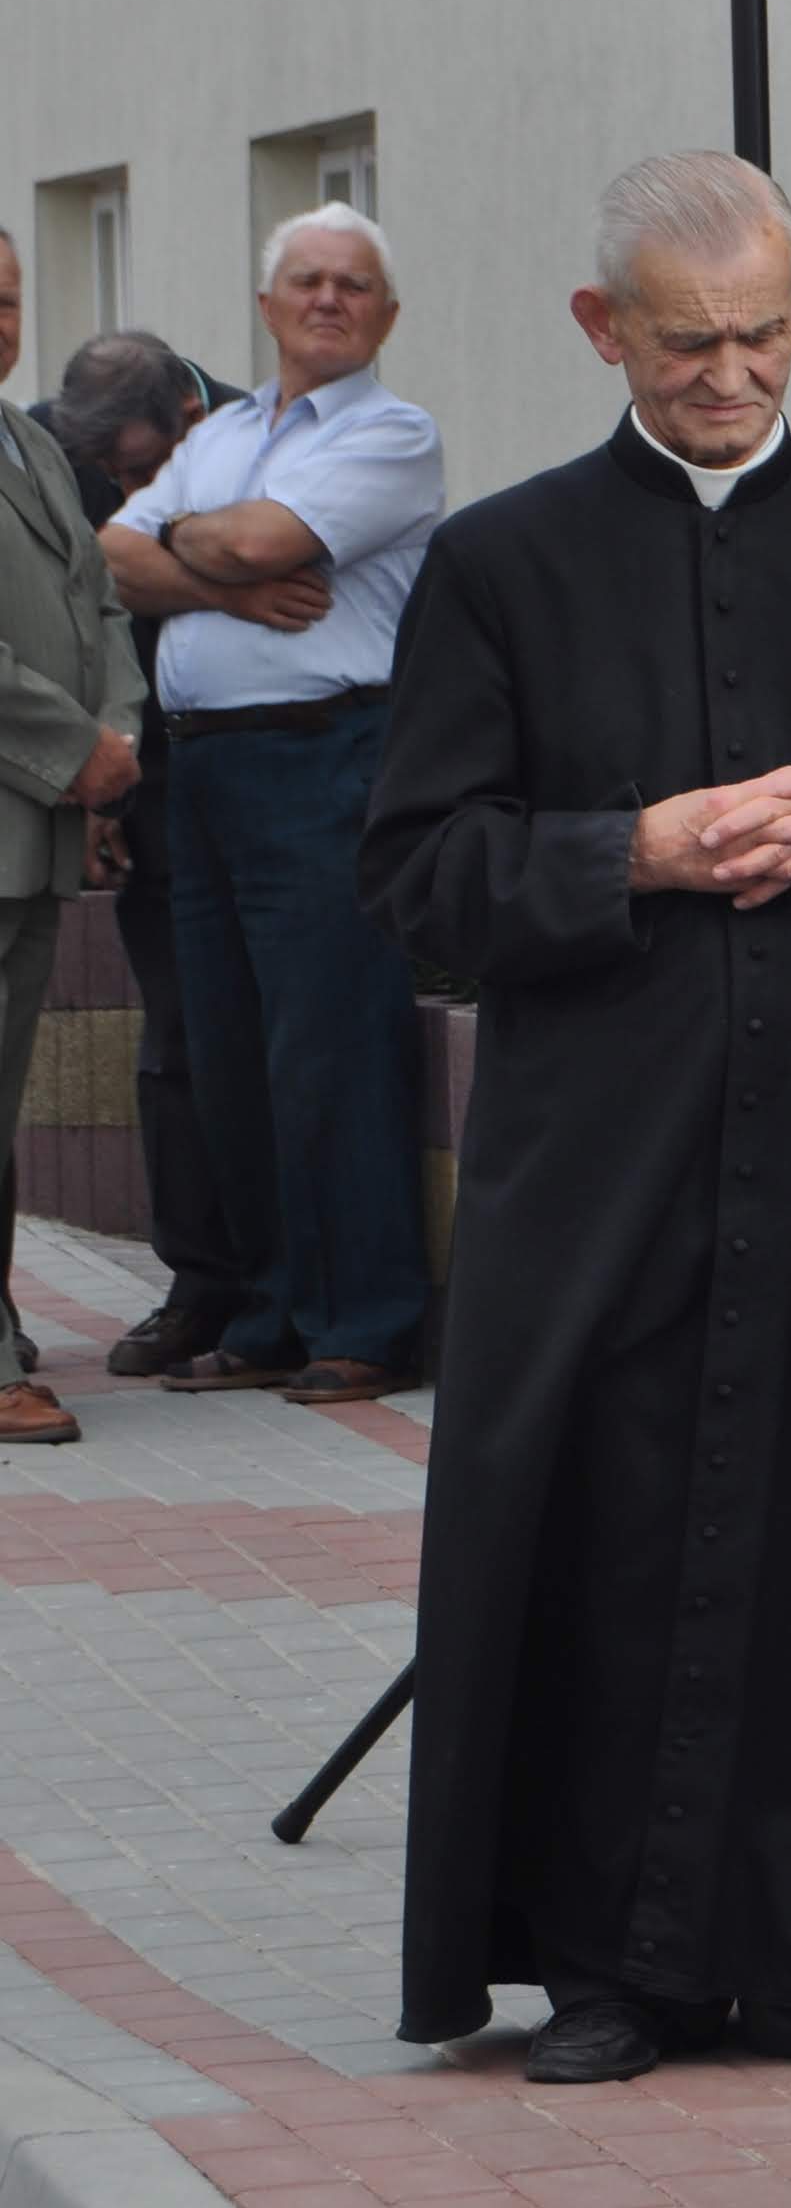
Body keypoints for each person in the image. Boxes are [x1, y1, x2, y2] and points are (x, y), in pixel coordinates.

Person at [362, 153, 791, 2082]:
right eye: (687, 344)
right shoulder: (500, 566)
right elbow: (421, 879)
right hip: (593, 1153)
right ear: (604, 330)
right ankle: (617, 1972)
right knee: (605, 1529)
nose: (730, 377)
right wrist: (639, 850)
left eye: (763, 333)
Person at [96, 205, 440, 1404]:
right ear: (267, 304)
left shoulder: (395, 435)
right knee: (227, 1049)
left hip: (324, 759)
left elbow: (260, 536)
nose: (329, 298)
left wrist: (196, 553)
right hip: (199, 772)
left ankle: (368, 1319)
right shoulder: (222, 431)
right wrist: (233, 591)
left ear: (385, 314)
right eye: (307, 280)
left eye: (354, 284)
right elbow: (113, 555)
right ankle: (270, 1312)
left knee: (331, 1046)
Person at [37, 331, 257, 1376]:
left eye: (139, 471)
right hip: (128, 775)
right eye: (108, 477)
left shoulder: (267, 432)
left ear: (190, 411)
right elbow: (90, 598)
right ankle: (200, 1284)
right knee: (172, 1040)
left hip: (260, 769)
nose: (121, 495)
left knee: (263, 1035)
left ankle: (277, 1289)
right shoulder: (47, 450)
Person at [0, 254, 152, 1442]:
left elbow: (100, 599)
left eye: (6, 295)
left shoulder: (33, 444)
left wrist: (118, 738)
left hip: (33, 835)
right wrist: (73, 750)